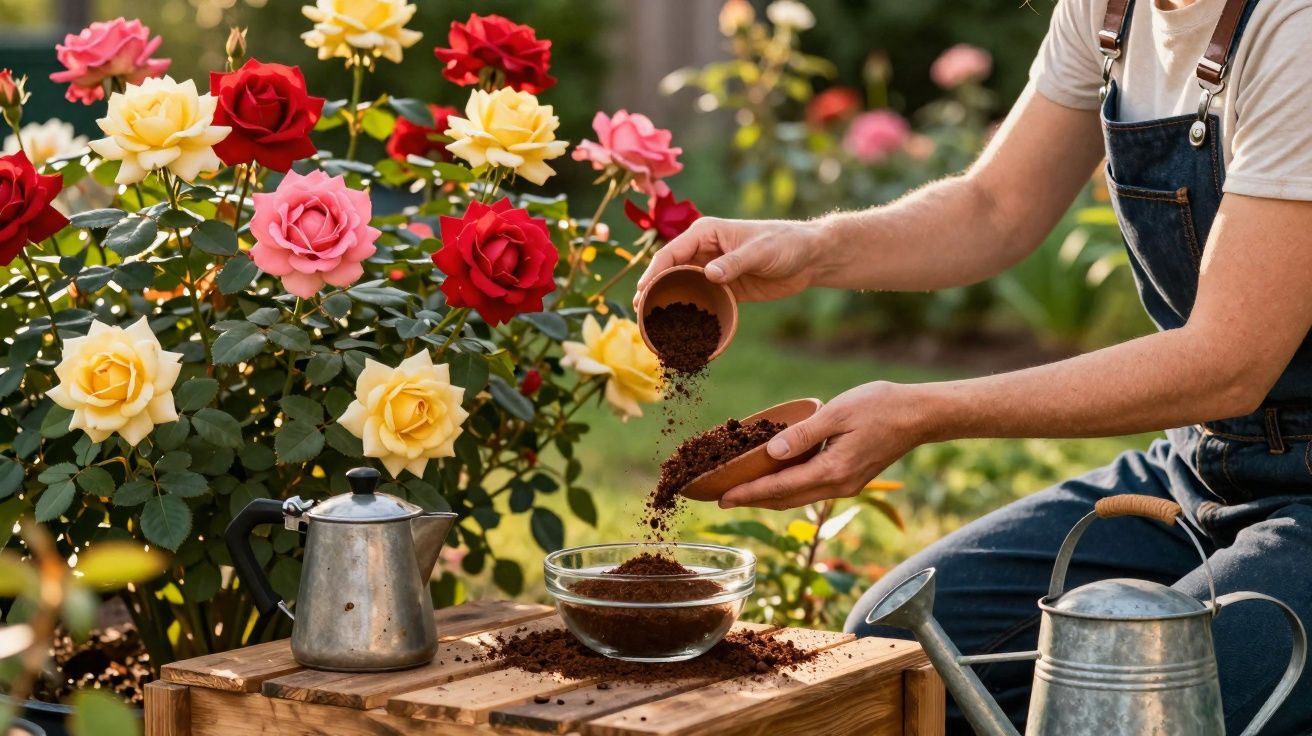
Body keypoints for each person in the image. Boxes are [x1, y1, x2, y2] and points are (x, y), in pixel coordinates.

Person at [637, 0, 1312, 731]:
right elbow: (994, 206)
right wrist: (814, 249)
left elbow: (1228, 360)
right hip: (1202, 466)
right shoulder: (1109, 11)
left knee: (1146, 700)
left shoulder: (1294, 30)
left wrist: (925, 412)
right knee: (906, 650)